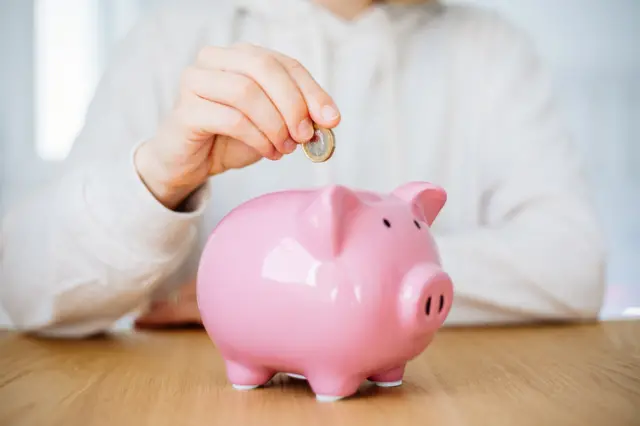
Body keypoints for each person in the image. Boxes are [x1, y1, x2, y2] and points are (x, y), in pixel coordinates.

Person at [0, 0, 606, 338]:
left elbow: (572, 266)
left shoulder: (490, 47)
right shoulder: (174, 35)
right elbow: (24, 284)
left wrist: (295, 293)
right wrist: (159, 177)